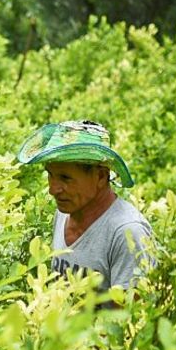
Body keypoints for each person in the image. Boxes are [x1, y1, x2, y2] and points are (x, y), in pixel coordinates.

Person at [17, 120, 155, 296]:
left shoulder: (127, 233)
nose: (53, 189)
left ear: (100, 176)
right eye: (50, 175)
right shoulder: (64, 211)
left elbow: (129, 315)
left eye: (65, 178)